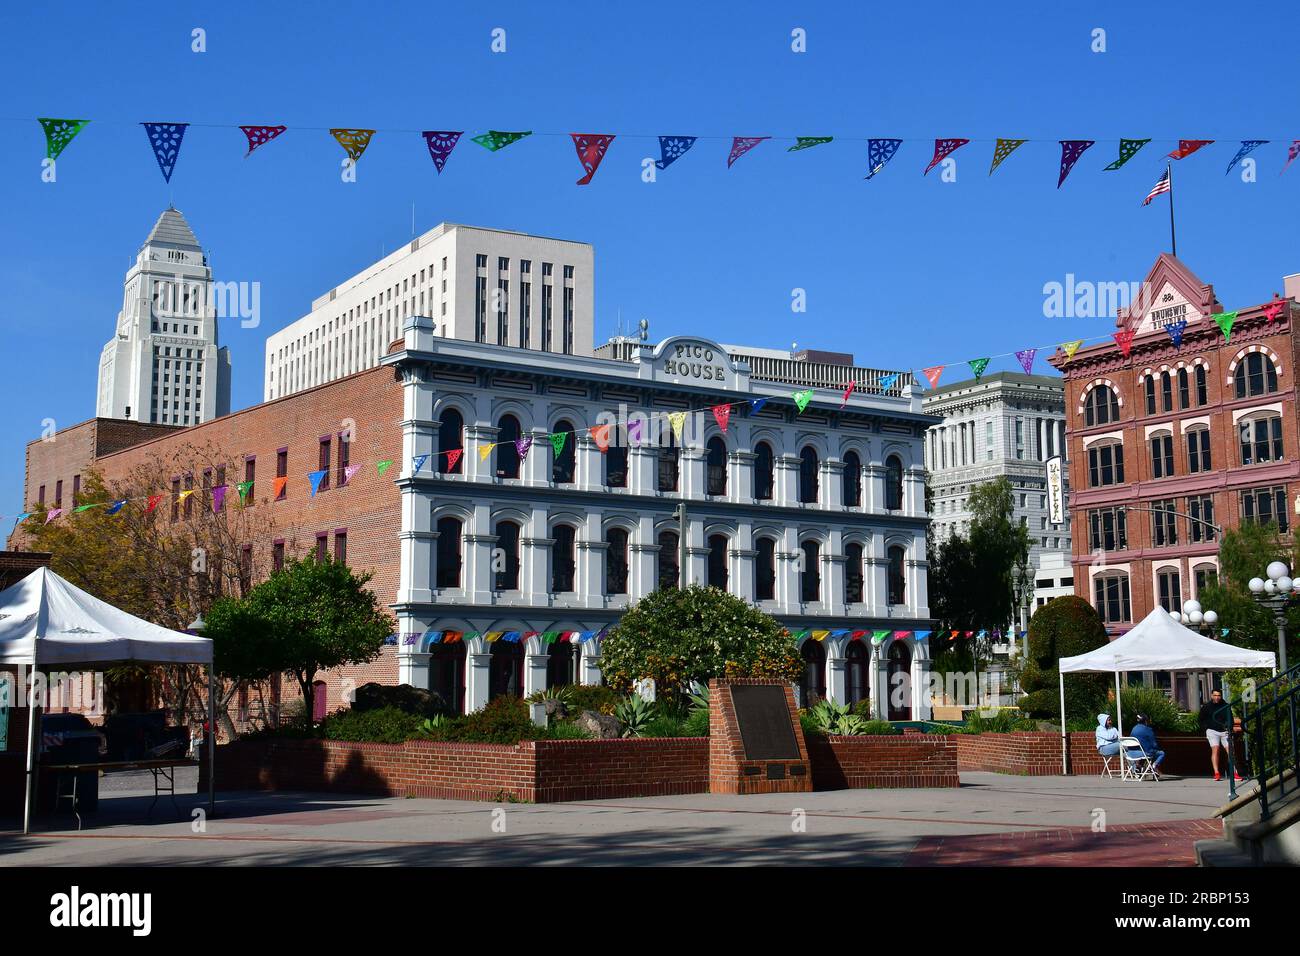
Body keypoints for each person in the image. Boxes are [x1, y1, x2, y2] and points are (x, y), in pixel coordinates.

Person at [1199, 689, 1243, 782]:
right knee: (1215, 749)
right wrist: (1206, 728)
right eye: (1215, 695)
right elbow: (1201, 719)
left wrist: (1229, 727)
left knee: (1230, 751)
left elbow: (1230, 718)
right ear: (1211, 696)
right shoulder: (1207, 707)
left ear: (1221, 696)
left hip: (1224, 731)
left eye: (1218, 695)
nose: (1217, 697)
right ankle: (1216, 773)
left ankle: (1235, 773)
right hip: (1212, 731)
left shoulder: (1225, 706)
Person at [1127, 713, 1166, 777]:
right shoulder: (1148, 729)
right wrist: (1158, 748)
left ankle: (1138, 767)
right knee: (1161, 753)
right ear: (1146, 721)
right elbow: (1154, 744)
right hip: (1143, 753)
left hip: (1130, 753)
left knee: (1146, 752)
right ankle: (1154, 766)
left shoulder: (1134, 729)